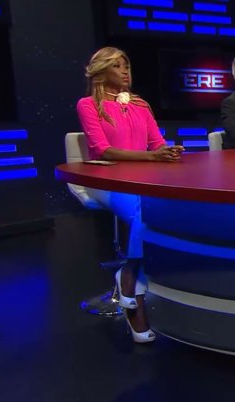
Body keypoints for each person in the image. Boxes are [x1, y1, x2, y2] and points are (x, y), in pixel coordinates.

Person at [77, 46, 184, 343]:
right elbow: (103, 150)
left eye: (127, 66)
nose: (125, 71)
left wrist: (167, 152)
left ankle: (131, 277)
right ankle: (130, 277)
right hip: (105, 181)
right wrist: (152, 157)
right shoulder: (88, 105)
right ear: (102, 71)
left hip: (142, 181)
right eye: (117, 66)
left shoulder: (140, 104)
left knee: (164, 210)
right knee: (144, 212)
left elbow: (156, 142)